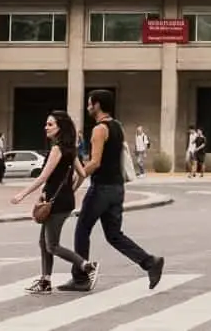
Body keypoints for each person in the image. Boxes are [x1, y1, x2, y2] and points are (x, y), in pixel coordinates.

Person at [66, 89, 165, 293]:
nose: (87, 107)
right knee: (113, 235)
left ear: (97, 105)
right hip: (117, 188)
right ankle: (150, 262)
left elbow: (95, 162)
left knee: (82, 229)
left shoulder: (99, 129)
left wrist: (76, 181)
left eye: (89, 103)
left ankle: (81, 277)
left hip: (101, 188)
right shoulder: (118, 127)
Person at [12, 110, 93, 294]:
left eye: (50, 124)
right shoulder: (70, 150)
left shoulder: (58, 149)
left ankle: (86, 265)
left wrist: (22, 194)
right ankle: (45, 281)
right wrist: (71, 190)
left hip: (57, 203)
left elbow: (43, 177)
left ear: (60, 128)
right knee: (43, 242)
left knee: (52, 245)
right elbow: (82, 174)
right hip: (62, 200)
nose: (46, 127)